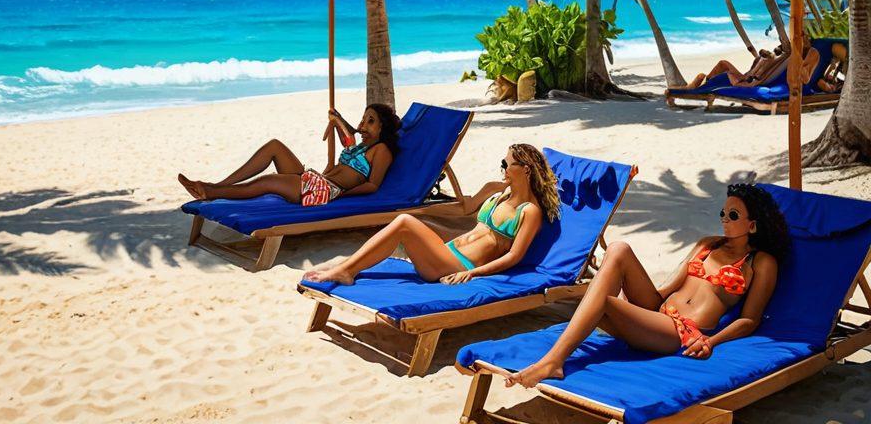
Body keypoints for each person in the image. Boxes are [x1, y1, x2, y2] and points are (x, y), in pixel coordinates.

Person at [502, 183, 789, 389]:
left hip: (682, 332)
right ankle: (555, 358)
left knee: (601, 301)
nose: (725, 221)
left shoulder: (760, 263)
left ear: (753, 225)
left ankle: (553, 361)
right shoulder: (707, 245)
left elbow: (749, 320)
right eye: (723, 214)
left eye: (734, 216)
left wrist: (710, 342)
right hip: (658, 312)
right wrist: (629, 296)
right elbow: (667, 289)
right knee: (618, 249)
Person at [302, 143, 560, 286]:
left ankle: (345, 270)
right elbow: (467, 213)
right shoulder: (498, 193)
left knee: (404, 223)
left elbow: (514, 257)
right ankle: (346, 266)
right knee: (411, 223)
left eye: (507, 164)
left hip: (460, 265)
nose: (502, 168)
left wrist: (472, 274)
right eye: (502, 163)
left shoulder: (530, 211)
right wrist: (430, 216)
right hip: (448, 251)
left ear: (525, 170)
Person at [177, 104, 400, 206]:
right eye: (363, 119)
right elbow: (341, 150)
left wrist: (341, 195)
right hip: (319, 180)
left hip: (327, 191)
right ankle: (218, 185)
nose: (363, 125)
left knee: (268, 181)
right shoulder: (358, 148)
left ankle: (211, 192)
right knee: (274, 146)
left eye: (371, 121)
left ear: (383, 128)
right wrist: (335, 120)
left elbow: (373, 186)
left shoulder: (381, 150)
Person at [686, 45, 787, 90]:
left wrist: (748, 77)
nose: (773, 51)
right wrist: (754, 52)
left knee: (723, 63)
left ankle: (706, 81)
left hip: (744, 80)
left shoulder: (772, 60)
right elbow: (759, 62)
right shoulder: (768, 60)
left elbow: (757, 72)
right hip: (745, 77)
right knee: (723, 64)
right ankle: (706, 80)